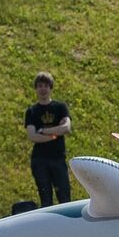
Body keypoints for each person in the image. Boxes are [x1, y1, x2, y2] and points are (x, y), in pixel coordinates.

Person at [24, 72, 72, 207]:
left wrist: (45, 131)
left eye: (46, 86)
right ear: (36, 89)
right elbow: (33, 136)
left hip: (58, 158)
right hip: (40, 160)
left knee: (64, 197)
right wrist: (55, 134)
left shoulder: (60, 107)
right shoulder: (32, 111)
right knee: (46, 199)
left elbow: (66, 127)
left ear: (50, 88)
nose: (43, 89)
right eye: (40, 86)